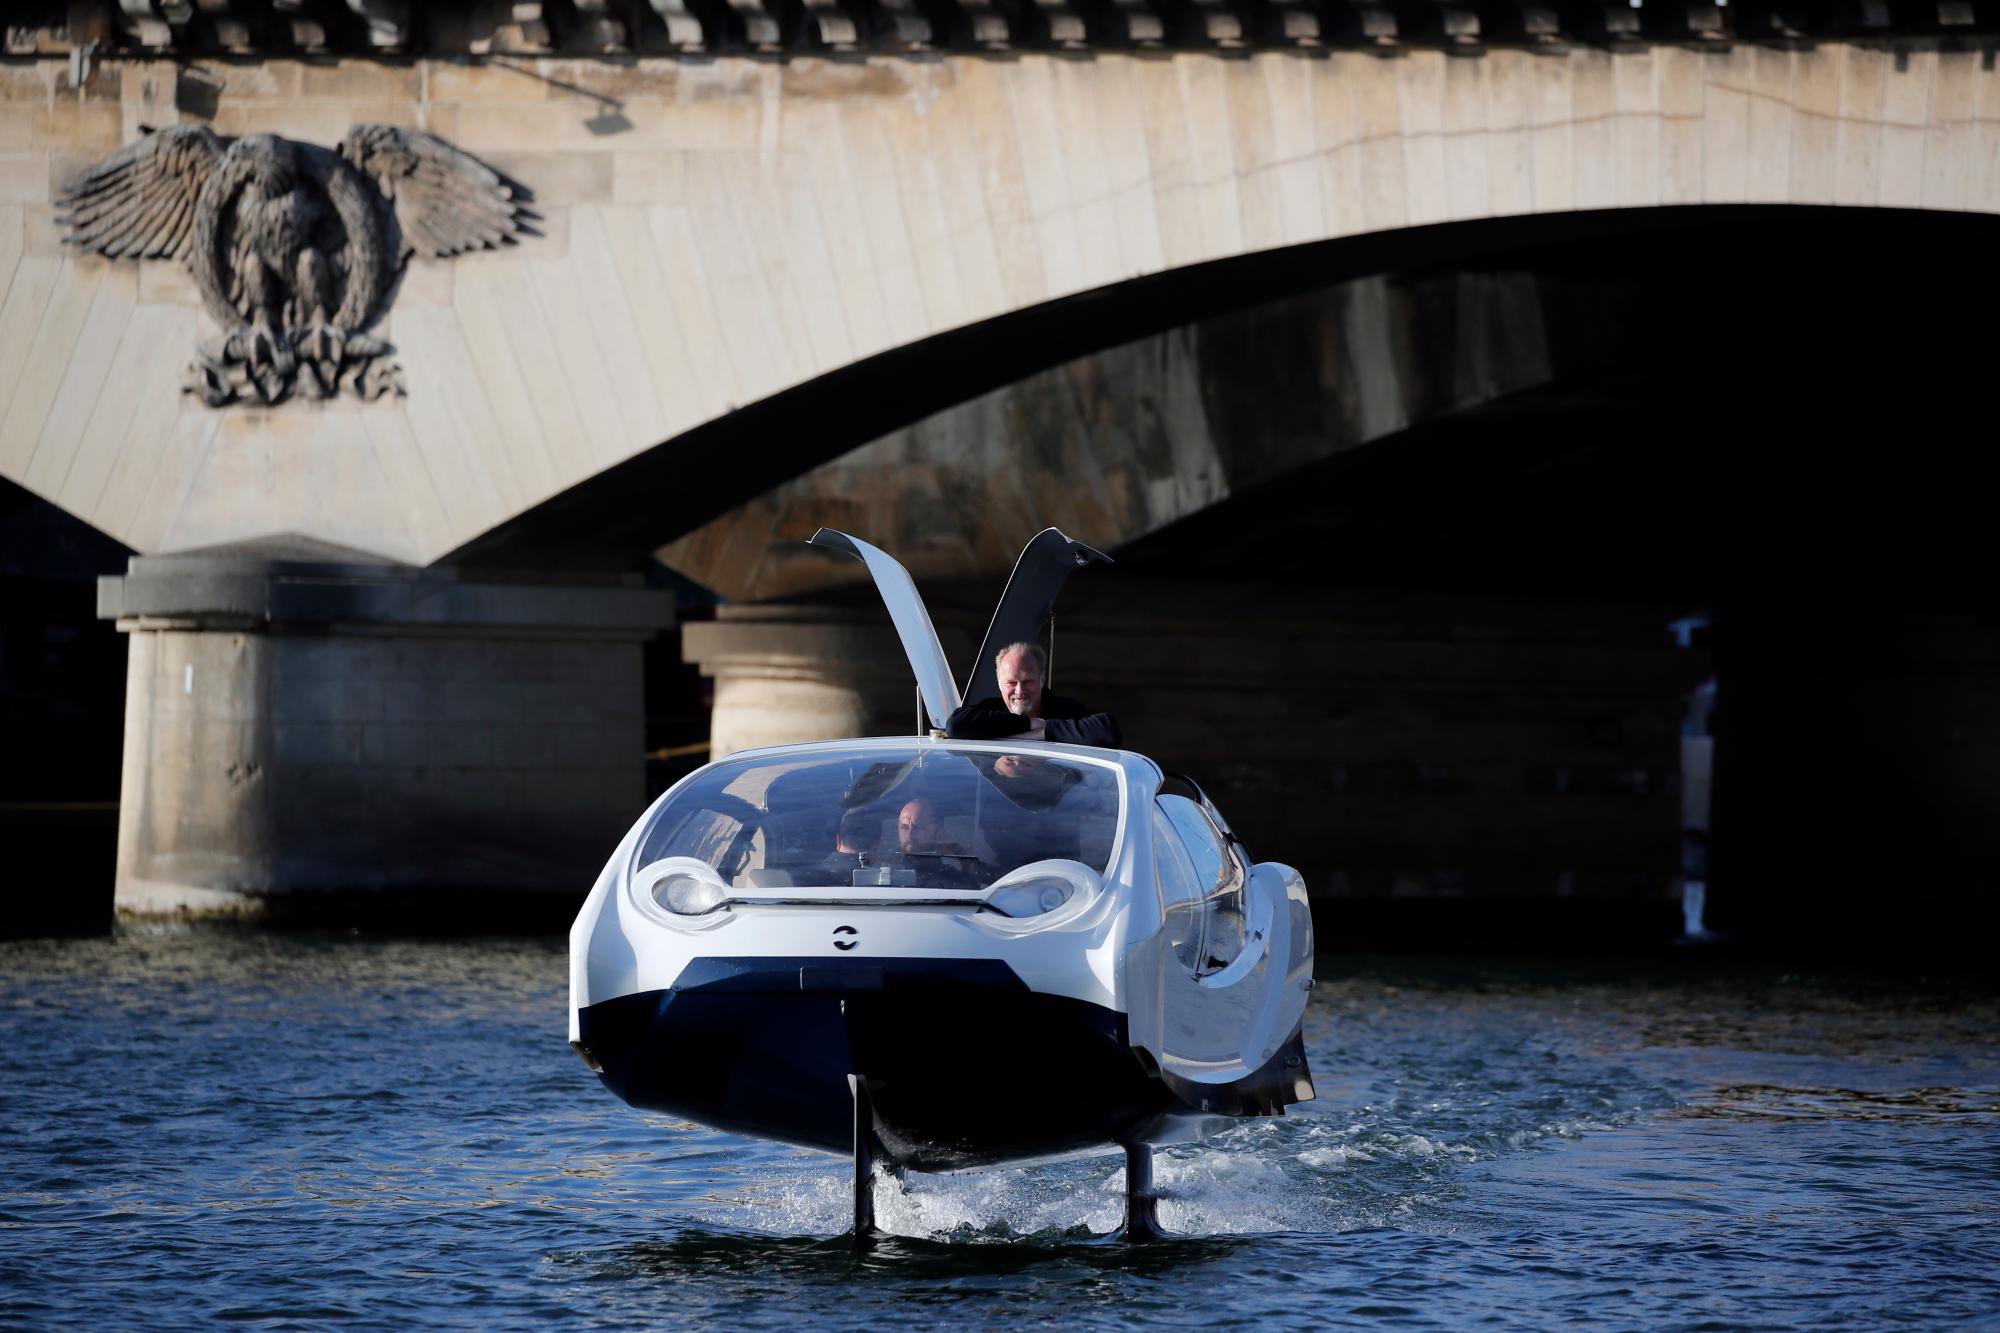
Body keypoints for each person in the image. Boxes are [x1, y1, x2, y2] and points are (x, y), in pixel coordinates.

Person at [946, 642, 1121, 747]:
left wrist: (1044, 731)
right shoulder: (990, 709)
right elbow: (955, 725)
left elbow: (1108, 731)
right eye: (1011, 683)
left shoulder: (1064, 710)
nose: (1019, 691)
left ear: (1042, 680)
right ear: (999, 684)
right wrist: (1030, 724)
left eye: (1028, 681)